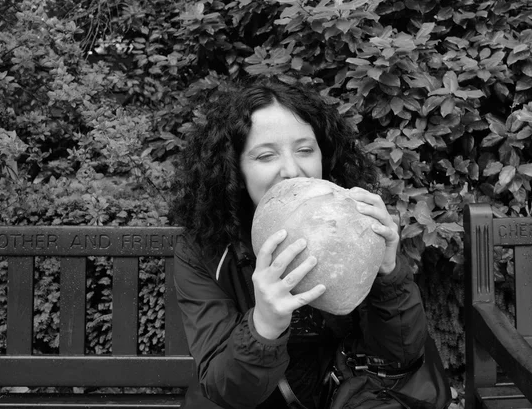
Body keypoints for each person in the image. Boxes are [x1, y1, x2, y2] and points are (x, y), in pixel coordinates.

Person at [171, 76, 429, 409]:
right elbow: (226, 389)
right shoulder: (203, 250)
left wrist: (389, 276)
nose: (291, 171)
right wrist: (263, 325)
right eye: (266, 156)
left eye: (305, 150)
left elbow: (401, 354)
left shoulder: (358, 225)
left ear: (323, 156)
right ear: (234, 169)